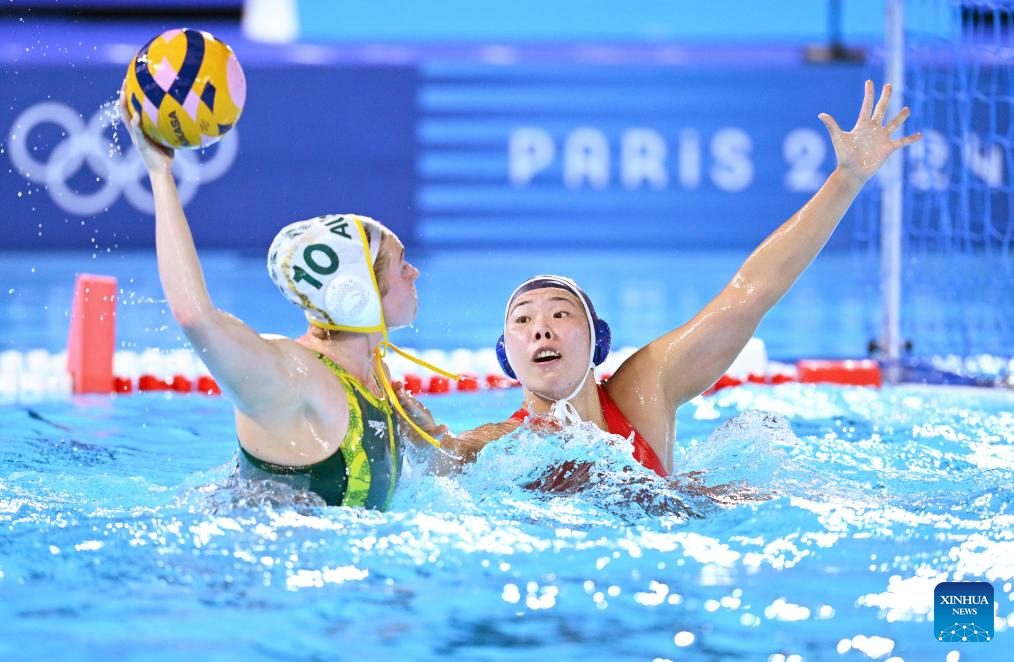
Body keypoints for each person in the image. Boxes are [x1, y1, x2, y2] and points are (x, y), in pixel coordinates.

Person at [399, 81, 921, 484]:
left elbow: (749, 294)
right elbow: (438, 462)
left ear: (598, 340)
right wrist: (415, 440)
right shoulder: (496, 443)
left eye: (560, 313)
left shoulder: (643, 392)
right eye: (523, 321)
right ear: (505, 354)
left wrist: (846, 179)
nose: (541, 330)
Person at [118, 87, 457, 510]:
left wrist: (428, 442)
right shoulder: (292, 376)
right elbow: (194, 316)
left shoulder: (373, 376)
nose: (414, 272)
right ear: (355, 290)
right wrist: (160, 174)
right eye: (400, 263)